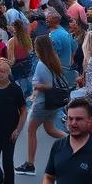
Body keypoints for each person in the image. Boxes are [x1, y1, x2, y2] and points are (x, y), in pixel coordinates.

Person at [14, 35, 66, 176]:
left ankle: (30, 164)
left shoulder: (42, 64)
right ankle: (72, 140)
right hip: (49, 102)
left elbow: (47, 85)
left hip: (43, 103)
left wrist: (36, 85)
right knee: (50, 129)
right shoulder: (52, 61)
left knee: (31, 131)